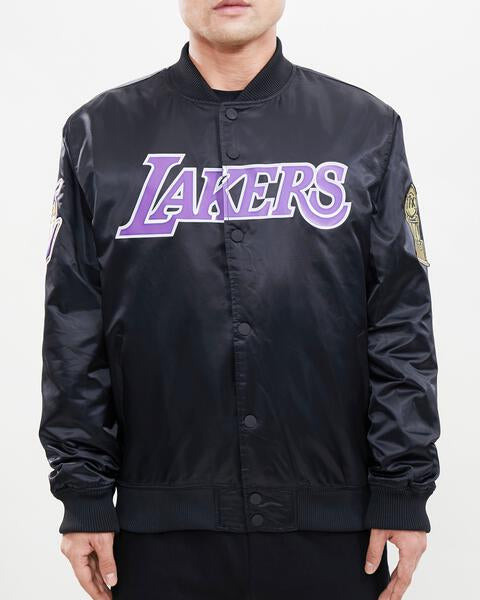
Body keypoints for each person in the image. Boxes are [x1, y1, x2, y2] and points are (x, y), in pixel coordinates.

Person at [39, 1, 440, 599]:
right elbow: (73, 326)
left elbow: (400, 319)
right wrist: (84, 493)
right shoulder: (100, 134)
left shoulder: (365, 128)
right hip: (157, 529)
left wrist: (402, 488)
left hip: (336, 527)